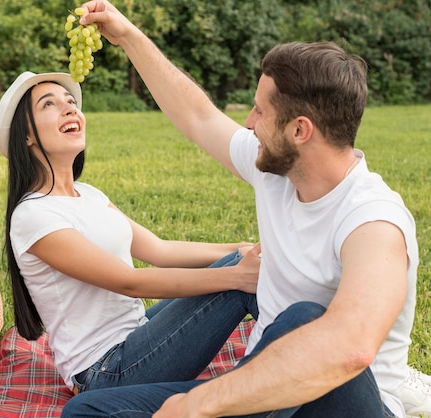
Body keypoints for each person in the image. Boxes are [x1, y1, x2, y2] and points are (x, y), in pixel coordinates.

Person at [61, 1, 430, 417]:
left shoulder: (372, 221)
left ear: (299, 130)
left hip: (339, 404)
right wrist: (127, 35)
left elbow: (349, 347)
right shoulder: (274, 170)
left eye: (260, 111)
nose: (249, 122)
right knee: (88, 411)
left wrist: (196, 404)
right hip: (264, 396)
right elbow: (199, 117)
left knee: (305, 320)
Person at [0, 71, 262, 396]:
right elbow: (129, 282)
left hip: (137, 336)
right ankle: (281, 384)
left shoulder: (88, 194)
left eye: (70, 102)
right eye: (48, 105)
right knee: (239, 283)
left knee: (242, 262)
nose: (69, 109)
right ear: (27, 136)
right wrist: (237, 277)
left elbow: (159, 250)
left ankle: (295, 365)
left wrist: (241, 248)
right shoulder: (33, 215)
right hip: (107, 371)